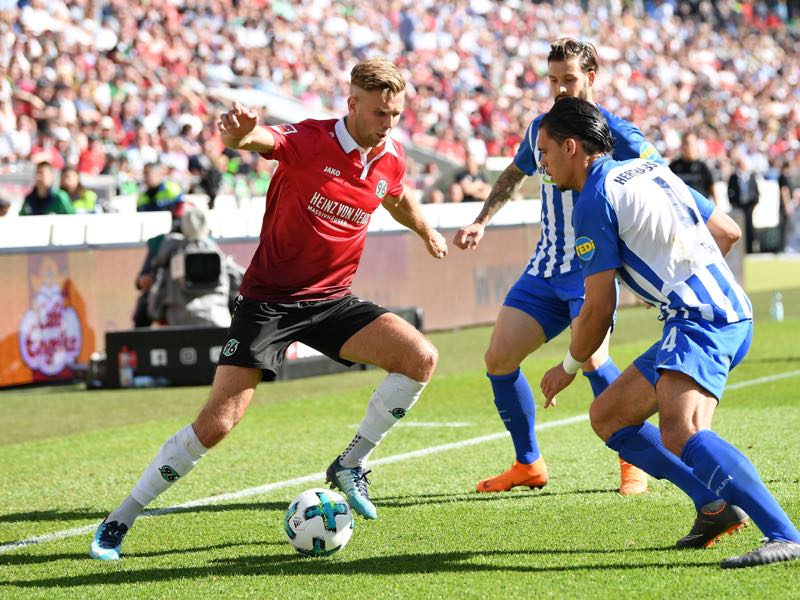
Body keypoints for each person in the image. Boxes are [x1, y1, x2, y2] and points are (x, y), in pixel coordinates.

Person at [90, 58, 448, 561]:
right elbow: (261, 141)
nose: (387, 124)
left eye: (394, 114)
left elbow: (396, 195)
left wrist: (426, 230)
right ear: (351, 105)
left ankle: (350, 465)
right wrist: (240, 134)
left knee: (420, 358)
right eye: (378, 114)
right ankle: (120, 520)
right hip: (270, 305)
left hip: (332, 302)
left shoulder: (390, 154)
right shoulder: (308, 139)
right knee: (217, 424)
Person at [538, 96, 800, 569]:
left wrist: (569, 366)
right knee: (609, 416)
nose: (543, 163)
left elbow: (598, 309)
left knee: (681, 431)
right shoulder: (649, 169)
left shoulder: (594, 197)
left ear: (572, 147)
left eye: (545, 151)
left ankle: (784, 534)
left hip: (700, 319)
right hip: (722, 308)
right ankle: (715, 505)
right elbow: (726, 230)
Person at [453, 38, 652, 495]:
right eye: (554, 80)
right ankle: (528, 464)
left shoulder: (616, 134)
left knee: (594, 360)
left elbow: (656, 180)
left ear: (591, 79)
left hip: (592, 269)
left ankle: (633, 459)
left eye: (570, 80)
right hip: (544, 269)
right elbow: (513, 174)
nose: (560, 89)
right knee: (498, 358)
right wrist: (482, 220)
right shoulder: (539, 128)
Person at [147, 204, 244, 327]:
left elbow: (157, 292)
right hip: (218, 321)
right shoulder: (215, 251)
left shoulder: (170, 251)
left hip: (178, 322)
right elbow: (242, 278)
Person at [669, 132, 722, 206]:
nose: (686, 147)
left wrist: (717, 208)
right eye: (684, 143)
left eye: (689, 143)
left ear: (696, 145)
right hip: (681, 209)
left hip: (700, 209)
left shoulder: (704, 165)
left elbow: (713, 188)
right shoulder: (674, 166)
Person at [727, 154, 761, 254]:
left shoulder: (751, 176)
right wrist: (733, 204)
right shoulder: (734, 177)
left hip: (748, 206)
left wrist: (753, 204)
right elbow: (730, 191)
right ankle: (741, 250)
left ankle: (750, 249)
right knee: (739, 228)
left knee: (749, 228)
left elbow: (755, 191)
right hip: (739, 205)